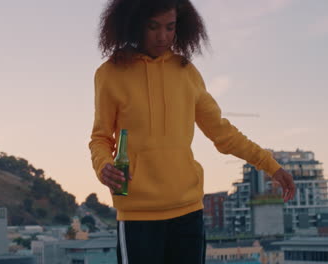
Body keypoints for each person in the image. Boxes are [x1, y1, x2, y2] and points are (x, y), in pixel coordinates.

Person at [88, 0, 296, 263]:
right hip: (138, 215)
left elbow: (223, 133)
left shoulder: (186, 72)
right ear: (134, 24)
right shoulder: (110, 73)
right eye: (153, 27)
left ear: (181, 27)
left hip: (188, 213)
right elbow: (101, 138)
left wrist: (271, 166)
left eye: (170, 27)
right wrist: (104, 165)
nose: (162, 36)